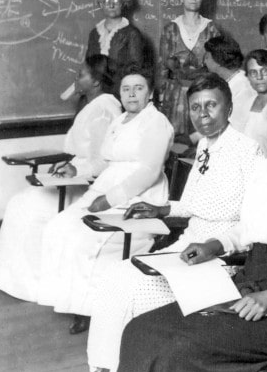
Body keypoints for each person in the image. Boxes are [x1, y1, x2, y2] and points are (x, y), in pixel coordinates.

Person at [116, 78, 267, 372]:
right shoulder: (265, 169)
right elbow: (248, 229)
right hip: (249, 284)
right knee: (141, 329)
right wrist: (213, 245)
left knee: (179, 350)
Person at [86, 73, 264, 372]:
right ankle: (103, 368)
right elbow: (194, 205)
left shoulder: (249, 152)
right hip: (185, 249)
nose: (203, 115)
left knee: (137, 290)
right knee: (113, 276)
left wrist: (213, 246)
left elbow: (255, 226)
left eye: (211, 106)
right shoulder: (206, 146)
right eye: (195, 107)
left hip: (221, 259)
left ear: (229, 108)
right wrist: (161, 207)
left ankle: (131, 368)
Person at [36, 65, 174, 334]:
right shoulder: (119, 120)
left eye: (139, 88)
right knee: (58, 226)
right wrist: (76, 169)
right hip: (105, 188)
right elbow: (104, 162)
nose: (132, 94)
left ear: (150, 93)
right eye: (126, 88)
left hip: (138, 196)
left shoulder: (156, 122)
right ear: (119, 93)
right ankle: (71, 300)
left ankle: (90, 309)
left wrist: (109, 200)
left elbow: (148, 172)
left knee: (83, 237)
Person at [0, 55, 122, 302]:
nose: (75, 78)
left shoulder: (104, 110)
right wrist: (69, 164)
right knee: (21, 203)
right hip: (74, 179)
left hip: (87, 188)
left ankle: (36, 284)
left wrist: (76, 171)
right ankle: (20, 281)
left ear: (96, 82)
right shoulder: (93, 105)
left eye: (81, 74)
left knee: (28, 208)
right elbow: (83, 152)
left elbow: (104, 161)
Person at [158, 0, 222, 143]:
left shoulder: (211, 28)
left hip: (202, 92)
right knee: (175, 142)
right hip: (175, 95)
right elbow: (164, 66)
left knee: (202, 139)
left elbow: (217, 65)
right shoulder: (170, 29)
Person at [85, 0, 148, 87]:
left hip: (121, 90)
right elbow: (88, 65)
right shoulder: (94, 33)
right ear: (101, 4)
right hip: (95, 92)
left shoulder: (132, 33)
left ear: (124, 4)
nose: (111, 5)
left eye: (116, 1)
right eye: (106, 1)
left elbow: (136, 69)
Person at [229, 49, 267, 156]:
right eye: (253, 72)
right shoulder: (248, 103)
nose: (259, 77)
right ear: (248, 77)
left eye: (265, 71)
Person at [204, 36, 255, 131]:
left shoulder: (242, 87)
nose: (204, 62)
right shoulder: (231, 81)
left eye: (207, 57)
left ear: (218, 60)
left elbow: (235, 128)